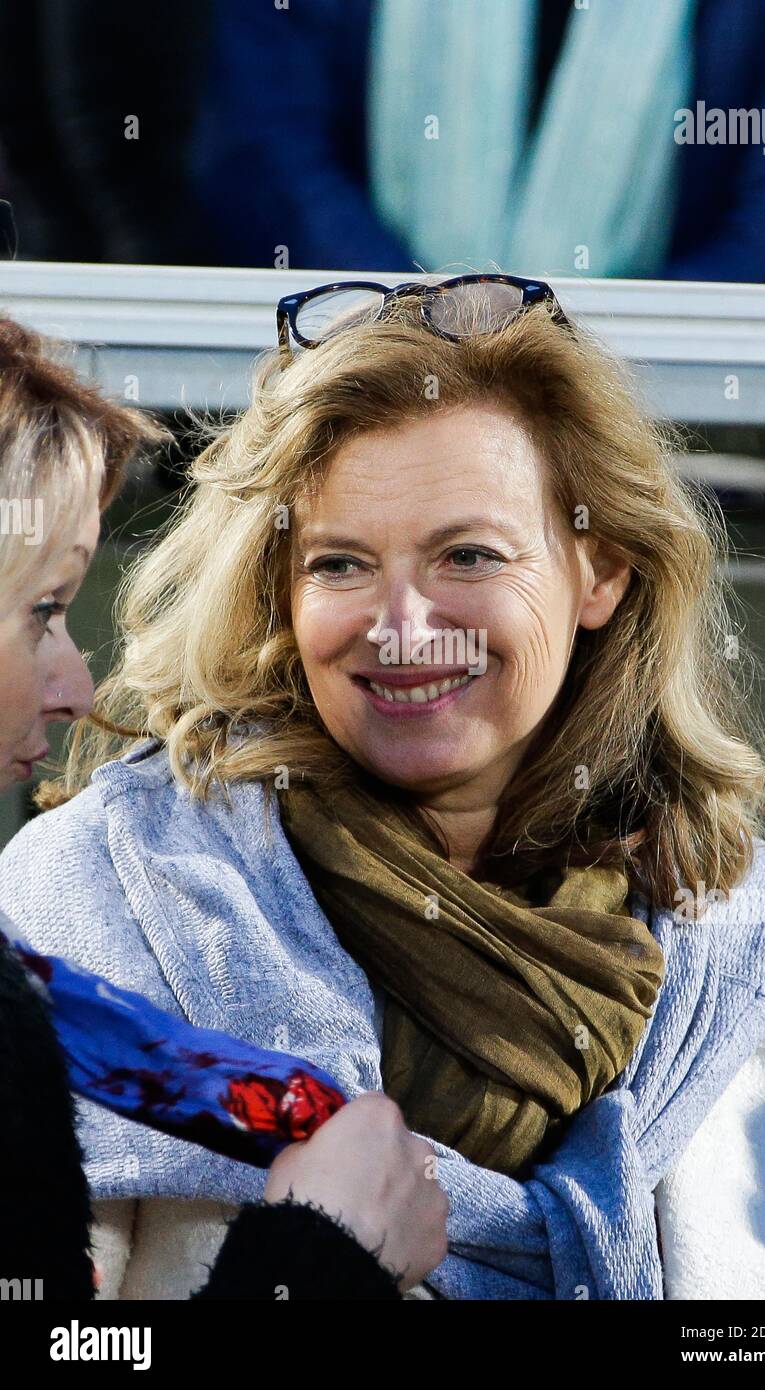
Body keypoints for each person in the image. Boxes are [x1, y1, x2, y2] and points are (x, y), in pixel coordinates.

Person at [1, 275, 765, 1300]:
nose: (402, 628)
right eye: (340, 564)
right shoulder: (98, 894)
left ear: (603, 572)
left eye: (466, 554)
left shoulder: (750, 941)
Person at [0, 313, 448, 1299]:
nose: (76, 684)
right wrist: (319, 1259)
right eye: (40, 608)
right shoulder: (72, 899)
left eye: (468, 554)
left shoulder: (728, 921)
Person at [190, 0, 765, 284]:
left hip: (669, 446)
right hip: (356, 391)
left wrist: (580, 353)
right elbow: (269, 161)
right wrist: (427, 322)